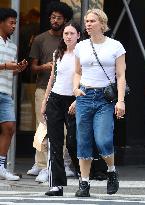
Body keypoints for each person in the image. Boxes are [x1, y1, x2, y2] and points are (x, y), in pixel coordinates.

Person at [73, 9, 126, 197]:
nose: (87, 24)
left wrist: (120, 101)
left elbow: (120, 76)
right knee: (83, 142)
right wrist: (75, 89)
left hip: (104, 99)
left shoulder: (116, 46)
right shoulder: (81, 46)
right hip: (84, 96)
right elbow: (77, 72)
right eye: (86, 21)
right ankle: (84, 183)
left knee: (103, 140)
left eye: (92, 21)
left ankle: (111, 171)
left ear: (102, 24)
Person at [28, 1, 73, 183]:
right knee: (42, 127)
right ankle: (40, 164)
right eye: (53, 17)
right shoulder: (40, 39)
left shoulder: (68, 39)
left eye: (59, 18)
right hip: (42, 88)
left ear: (65, 20)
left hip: (64, 90)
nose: (55, 20)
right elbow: (33, 68)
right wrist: (45, 67)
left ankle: (59, 164)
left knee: (62, 130)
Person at [41, 21, 81, 196]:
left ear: (79, 35)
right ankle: (56, 185)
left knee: (73, 142)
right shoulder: (58, 53)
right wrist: (45, 101)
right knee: (54, 142)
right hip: (55, 100)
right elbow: (52, 79)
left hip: (74, 100)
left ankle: (83, 177)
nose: (68, 36)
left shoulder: (83, 54)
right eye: (66, 33)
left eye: (72, 33)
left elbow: (86, 80)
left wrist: (78, 100)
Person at [0, 8, 28, 180]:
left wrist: (17, 69)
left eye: (15, 23)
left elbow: (9, 71)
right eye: (11, 22)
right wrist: (5, 66)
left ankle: (0, 167)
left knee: (9, 128)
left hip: (6, 92)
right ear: (1, 22)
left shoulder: (12, 46)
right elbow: (4, 67)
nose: (14, 26)